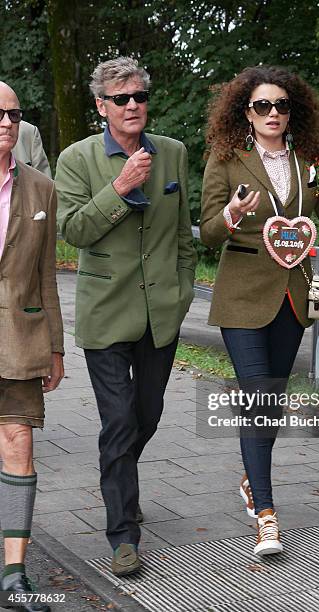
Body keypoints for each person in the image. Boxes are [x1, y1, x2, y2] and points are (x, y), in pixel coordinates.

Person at [200, 65, 319, 556]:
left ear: (292, 111)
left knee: (271, 403)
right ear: (246, 112)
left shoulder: (310, 163)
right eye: (263, 105)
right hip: (241, 298)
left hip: (293, 298)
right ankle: (266, 514)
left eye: (282, 105)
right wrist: (233, 212)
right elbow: (209, 232)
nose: (273, 113)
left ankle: (249, 481)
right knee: (259, 397)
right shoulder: (226, 159)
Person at [55, 57, 196, 576]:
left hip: (161, 314)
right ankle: (122, 532)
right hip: (105, 315)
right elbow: (72, 231)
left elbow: (183, 235)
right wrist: (117, 188)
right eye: (121, 98)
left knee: (149, 415)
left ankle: (122, 481)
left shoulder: (174, 153)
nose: (132, 105)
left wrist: (181, 295)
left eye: (139, 96)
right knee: (118, 420)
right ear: (102, 107)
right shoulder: (76, 158)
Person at [0, 82, 64, 610]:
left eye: (14, 113)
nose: (6, 122)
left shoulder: (41, 189)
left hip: (20, 339)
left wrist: (56, 348)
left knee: (19, 443)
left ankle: (14, 571)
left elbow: (47, 277)